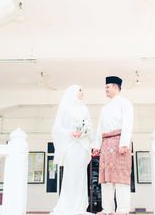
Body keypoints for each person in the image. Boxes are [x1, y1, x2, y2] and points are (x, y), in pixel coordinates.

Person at [92, 76, 133, 215]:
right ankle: (107, 209)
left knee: (120, 177)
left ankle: (122, 209)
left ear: (116, 87)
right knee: (106, 179)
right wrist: (96, 146)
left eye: (108, 87)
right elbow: (100, 127)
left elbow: (127, 124)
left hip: (120, 142)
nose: (106, 90)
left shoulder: (125, 103)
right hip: (106, 144)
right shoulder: (105, 108)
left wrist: (124, 144)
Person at [51, 85, 93, 215]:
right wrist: (71, 132)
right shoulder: (65, 107)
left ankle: (80, 207)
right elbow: (57, 128)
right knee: (70, 175)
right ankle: (67, 206)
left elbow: (90, 126)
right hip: (70, 146)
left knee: (81, 175)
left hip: (81, 146)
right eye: (80, 90)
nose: (82, 93)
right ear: (73, 92)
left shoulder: (84, 108)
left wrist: (83, 132)